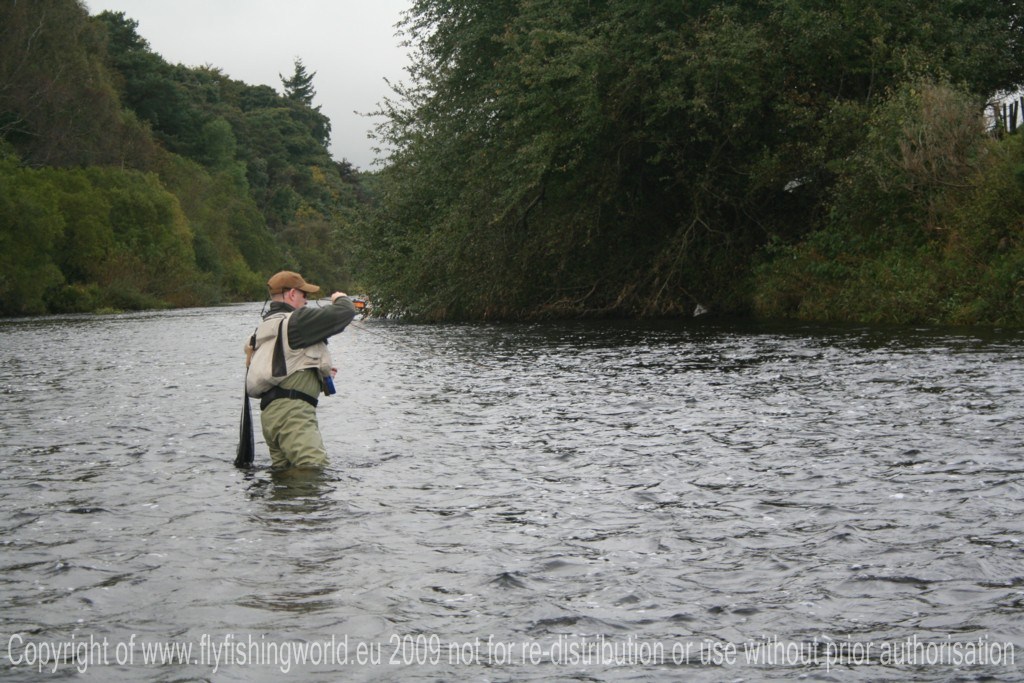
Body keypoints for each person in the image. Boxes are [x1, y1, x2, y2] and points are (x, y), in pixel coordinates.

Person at [244, 270, 356, 470]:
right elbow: (345, 312)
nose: (307, 300)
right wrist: (342, 298)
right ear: (292, 294)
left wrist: (313, 374)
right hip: (293, 416)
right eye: (305, 295)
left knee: (286, 479)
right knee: (313, 471)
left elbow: (283, 369)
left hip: (271, 418)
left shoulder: (267, 327)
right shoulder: (297, 322)